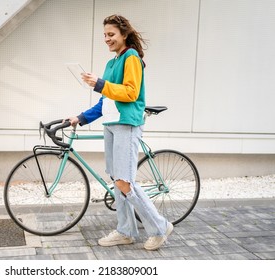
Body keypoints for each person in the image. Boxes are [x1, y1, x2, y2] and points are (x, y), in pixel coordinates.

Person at [67, 14, 173, 251]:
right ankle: (126, 231)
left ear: (124, 34)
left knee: (125, 182)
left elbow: (131, 93)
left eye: (111, 34)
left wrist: (100, 84)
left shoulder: (131, 57)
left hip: (127, 123)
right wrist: (80, 118)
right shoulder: (111, 63)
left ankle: (159, 226)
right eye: (105, 35)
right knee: (117, 180)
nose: (107, 38)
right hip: (112, 124)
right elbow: (106, 101)